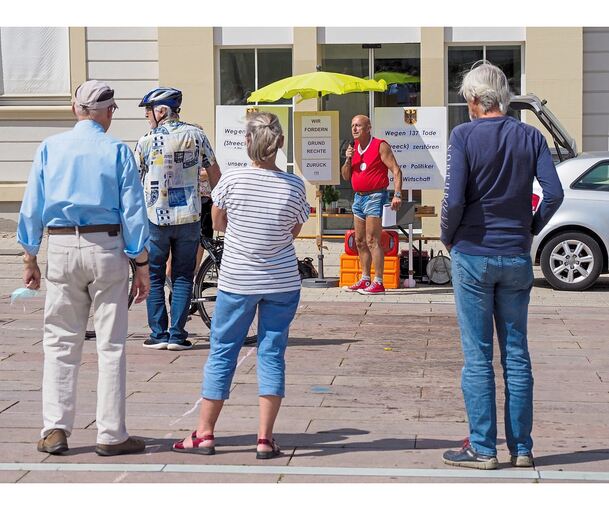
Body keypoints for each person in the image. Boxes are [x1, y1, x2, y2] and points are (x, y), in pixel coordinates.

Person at [440, 61, 564, 470]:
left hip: (473, 251)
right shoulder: (530, 136)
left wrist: (448, 234)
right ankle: (522, 447)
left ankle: (482, 447)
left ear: (475, 100)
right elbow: (554, 193)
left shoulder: (463, 136)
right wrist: (529, 227)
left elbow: (454, 198)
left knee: (477, 355)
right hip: (515, 252)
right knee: (516, 352)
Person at [17, 80, 151, 456]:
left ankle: (55, 429)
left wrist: (30, 255)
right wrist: (140, 262)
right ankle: (111, 434)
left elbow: (32, 204)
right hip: (106, 246)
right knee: (111, 345)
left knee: (60, 340)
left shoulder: (50, 148)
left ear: (76, 109)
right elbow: (134, 211)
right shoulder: (117, 151)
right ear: (108, 113)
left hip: (60, 244)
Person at [172, 112, 309, 459]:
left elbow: (218, 222)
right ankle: (264, 438)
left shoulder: (231, 181)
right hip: (280, 280)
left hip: (238, 278)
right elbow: (294, 230)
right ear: (278, 144)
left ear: (248, 143)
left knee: (223, 350)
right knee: (272, 352)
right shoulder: (294, 186)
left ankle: (204, 433)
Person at [135, 87, 221, 351]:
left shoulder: (146, 140)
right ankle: (177, 335)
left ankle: (158, 334)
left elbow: (132, 180)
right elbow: (215, 172)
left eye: (149, 111)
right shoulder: (197, 135)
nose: (148, 117)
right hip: (189, 216)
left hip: (156, 218)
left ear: (162, 111)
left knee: (155, 274)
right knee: (184, 276)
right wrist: (219, 202)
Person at [341, 114, 402, 294]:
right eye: (352, 125)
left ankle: (379, 281)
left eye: (358, 125)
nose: (354, 129)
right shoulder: (353, 148)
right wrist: (347, 159)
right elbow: (345, 176)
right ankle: (365, 278)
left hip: (376, 196)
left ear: (368, 128)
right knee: (359, 241)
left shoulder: (380, 145)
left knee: (372, 239)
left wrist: (397, 194)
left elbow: (397, 170)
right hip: (358, 197)